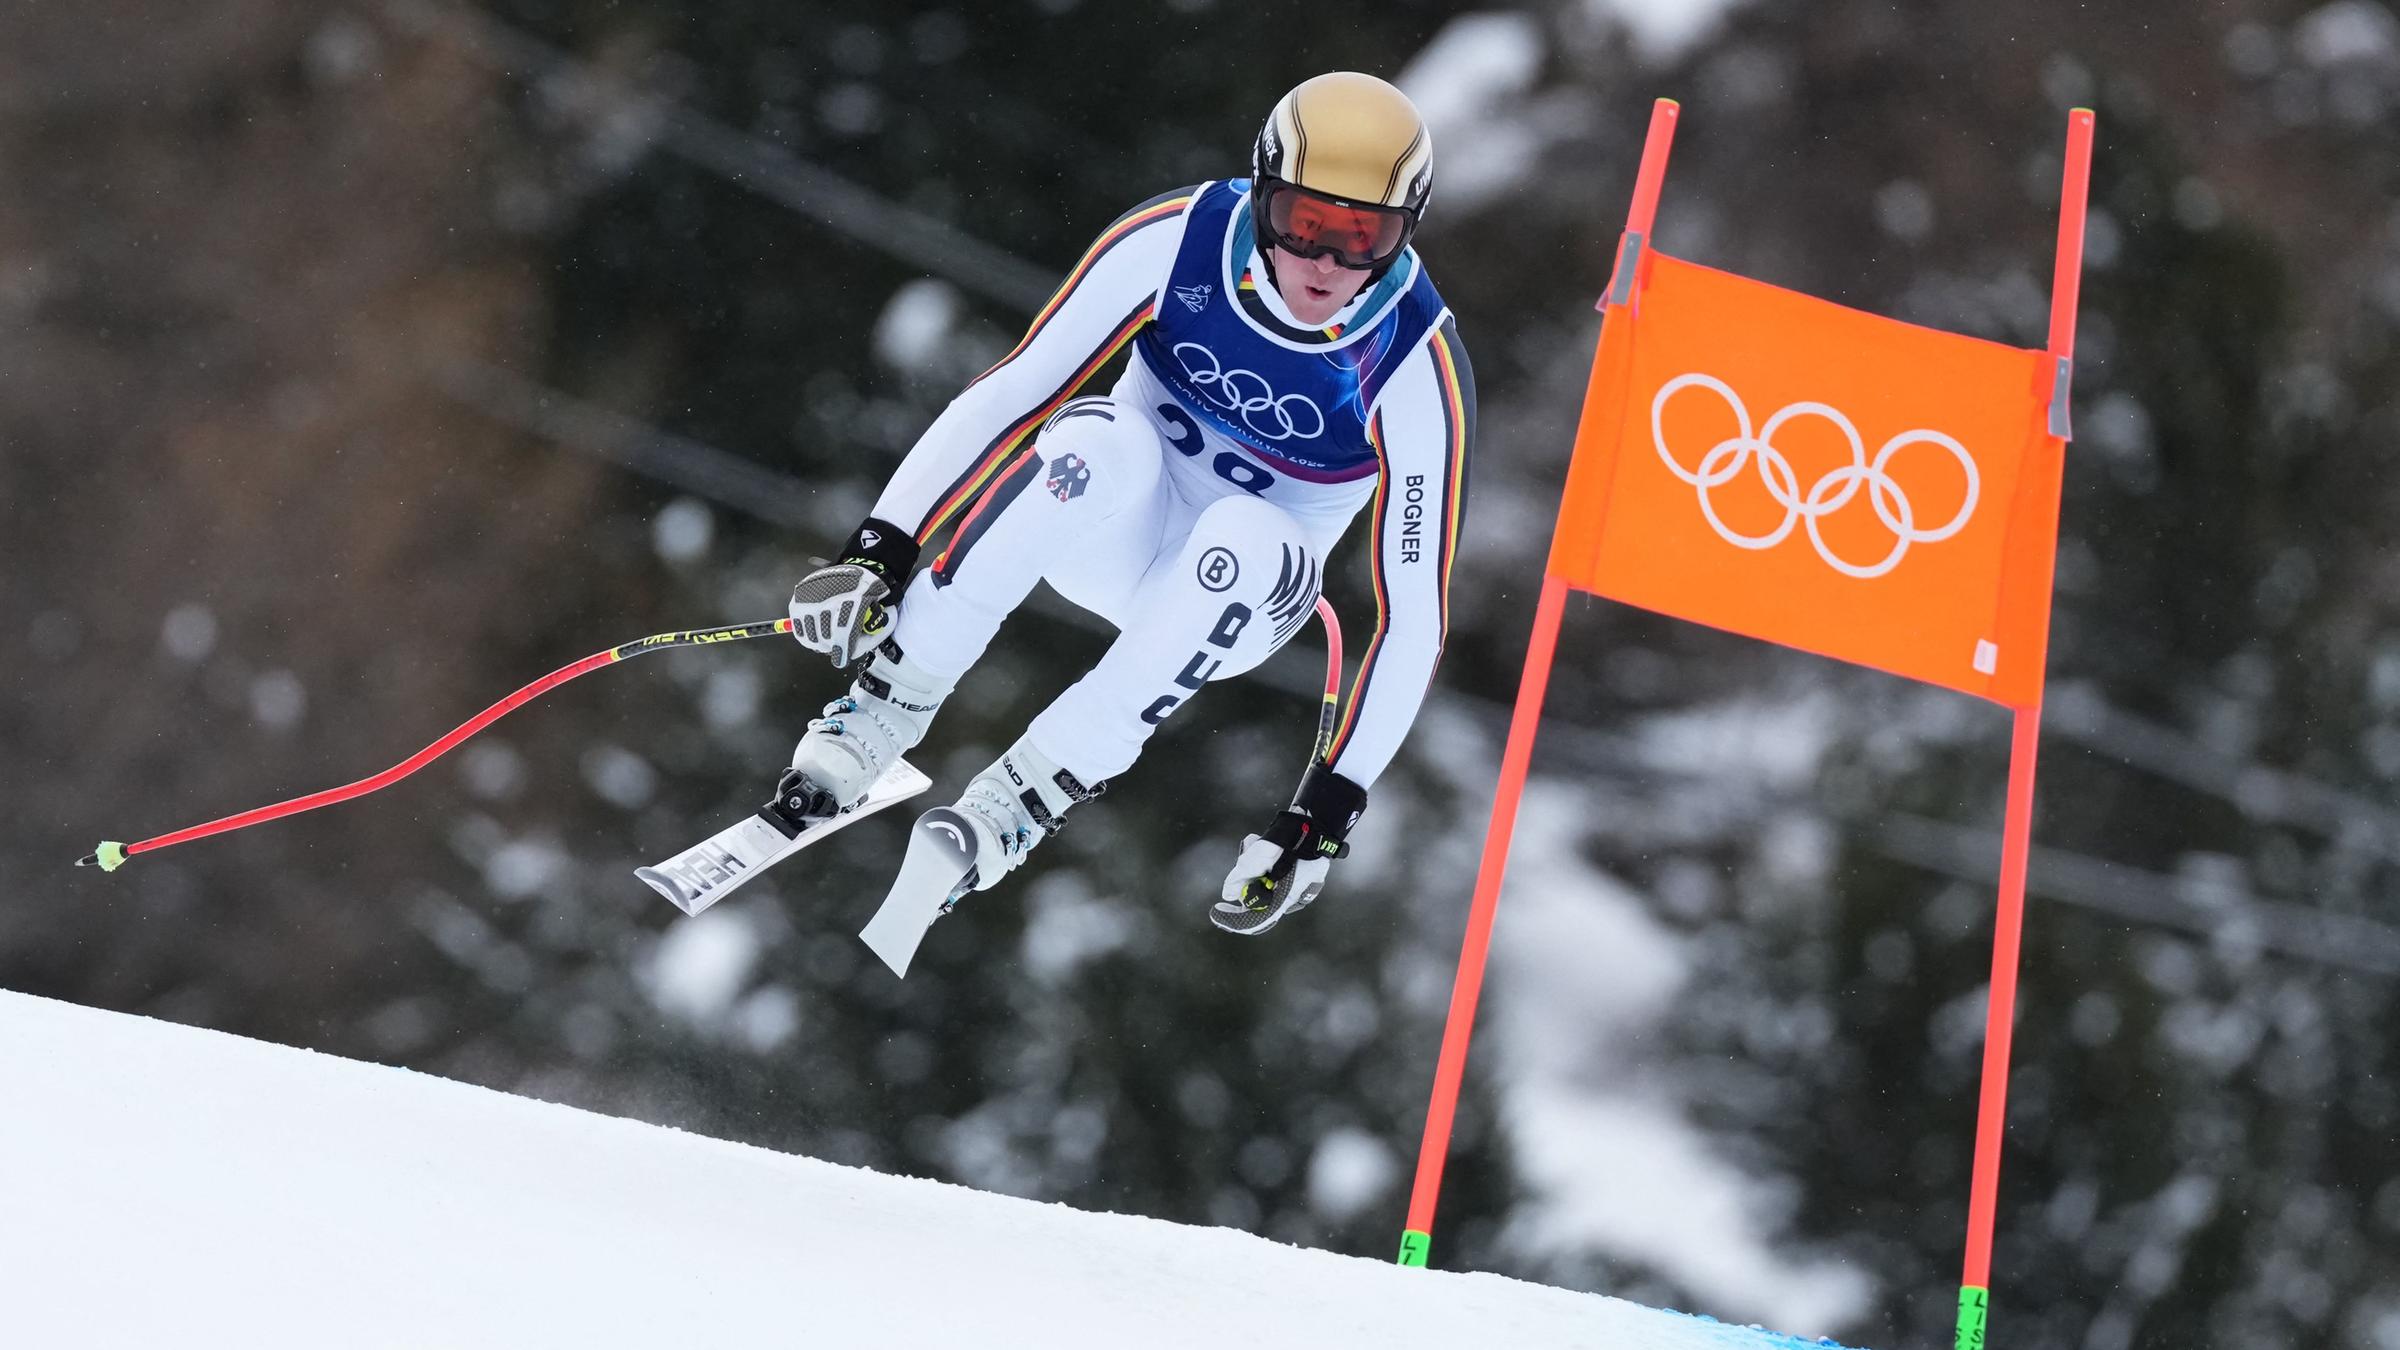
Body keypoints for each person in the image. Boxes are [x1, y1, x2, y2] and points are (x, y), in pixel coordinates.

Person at [784, 71, 1474, 936]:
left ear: (1406, 231)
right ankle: (887, 704)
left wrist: (1324, 817)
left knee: (1243, 531)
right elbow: (1014, 393)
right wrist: (879, 550)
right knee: (1098, 436)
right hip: (1111, 525)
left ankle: (1026, 796)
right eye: (1305, 223)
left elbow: (1415, 616)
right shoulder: (1181, 242)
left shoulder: (1412, 360)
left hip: (1240, 597)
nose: (1326, 263)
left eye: (1364, 236)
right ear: (1264, 194)